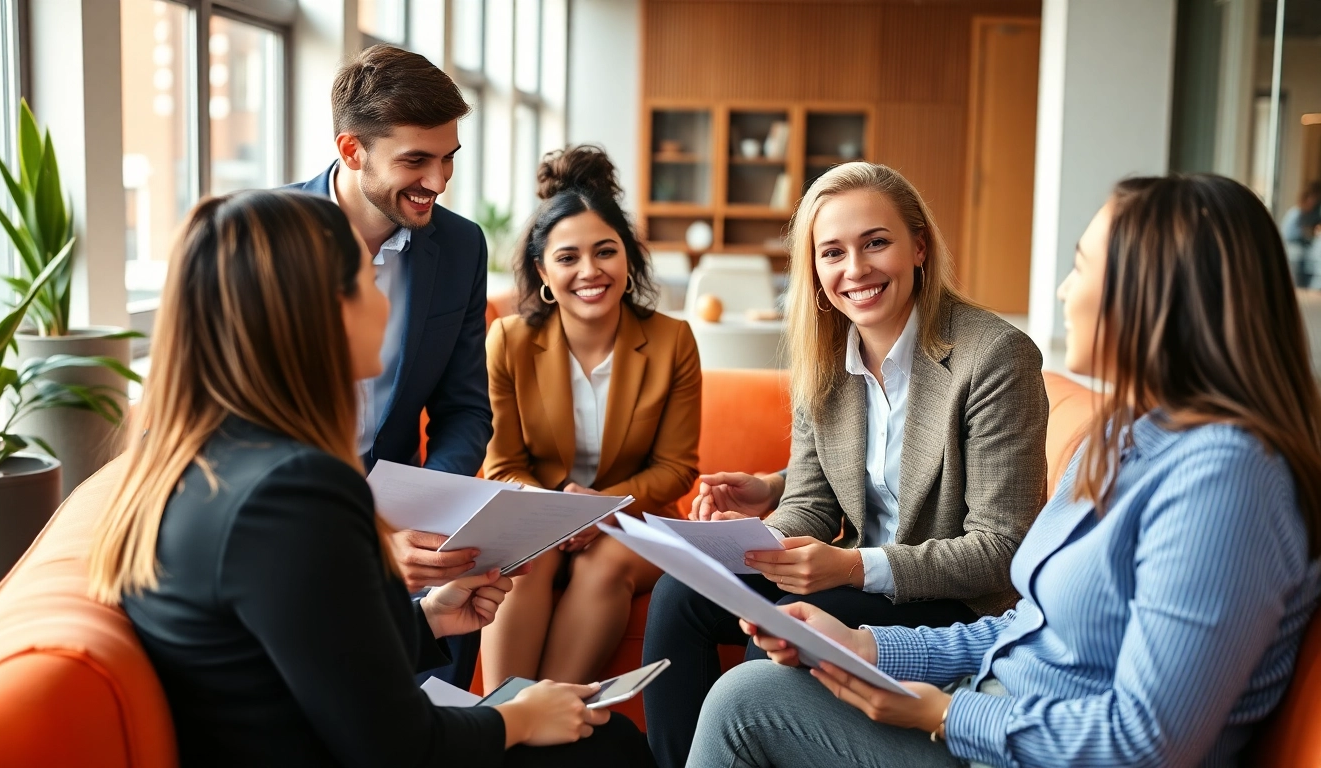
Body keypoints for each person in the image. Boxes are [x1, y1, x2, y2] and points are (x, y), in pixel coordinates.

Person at [691, 174, 1321, 768]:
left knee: (744, 705)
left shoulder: (1227, 480)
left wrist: (941, 713)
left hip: (1001, 740)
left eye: (1079, 268)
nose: (1062, 292)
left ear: (1151, 295)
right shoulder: (1129, 435)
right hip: (991, 715)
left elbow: (1145, 743)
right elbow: (1025, 627)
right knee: (744, 683)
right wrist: (869, 647)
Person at [88, 190, 656, 768]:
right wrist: (522, 716)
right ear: (325, 311)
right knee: (607, 740)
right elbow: (399, 747)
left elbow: (297, 647)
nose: (385, 304)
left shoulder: (196, 463)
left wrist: (428, 619)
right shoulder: (292, 491)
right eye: (368, 282)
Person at [641, 162, 1049, 768]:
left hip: (949, 599)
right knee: (681, 594)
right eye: (832, 252)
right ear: (814, 269)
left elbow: (1001, 547)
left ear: (919, 247)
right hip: (852, 578)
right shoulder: (825, 356)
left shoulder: (994, 358)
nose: (854, 270)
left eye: (875, 243)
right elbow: (812, 502)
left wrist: (853, 568)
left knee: (788, 622)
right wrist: (748, 545)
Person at [287, 44, 492, 686]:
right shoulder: (269, 237)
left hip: (405, 506)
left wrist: (431, 510)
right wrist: (365, 531)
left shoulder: (460, 246)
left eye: (448, 158)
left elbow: (464, 407)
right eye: (415, 160)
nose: (437, 180)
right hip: (294, 513)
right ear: (352, 150)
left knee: (464, 568)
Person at [480, 145, 702, 689]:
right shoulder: (508, 341)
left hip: (637, 520)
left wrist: (603, 509)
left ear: (627, 259)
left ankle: (550, 718)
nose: (589, 271)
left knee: (602, 562)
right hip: (540, 516)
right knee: (521, 559)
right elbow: (501, 464)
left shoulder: (673, 341)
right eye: (567, 258)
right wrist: (557, 514)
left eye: (605, 252)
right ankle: (503, 723)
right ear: (542, 272)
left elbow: (677, 469)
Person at [1282, 180, 1321, 286]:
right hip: (1293, 251)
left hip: (1304, 252)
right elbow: (1291, 236)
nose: (1313, 202)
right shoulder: (1296, 214)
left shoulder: (1311, 215)